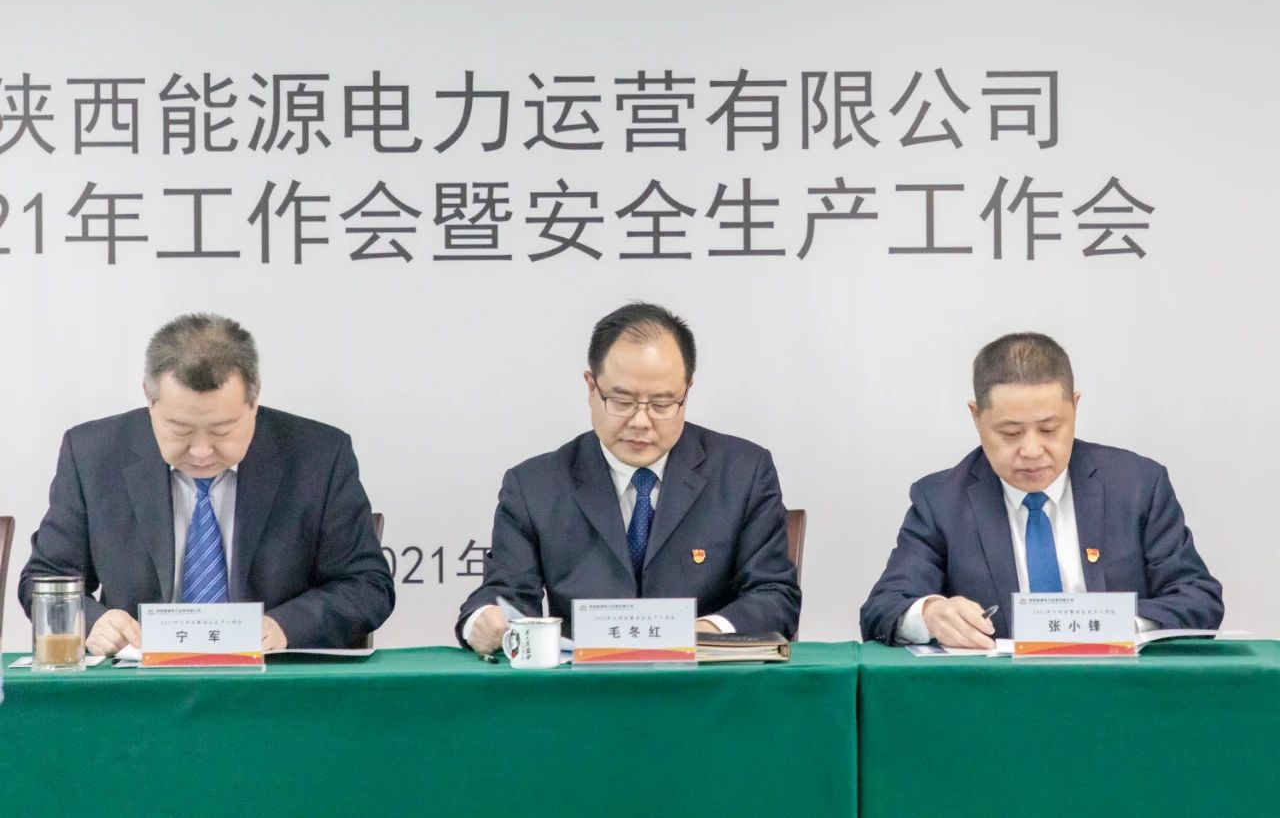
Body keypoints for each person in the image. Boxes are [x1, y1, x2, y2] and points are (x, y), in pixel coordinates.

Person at [19, 313, 394, 655]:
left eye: (222, 430)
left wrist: (285, 627)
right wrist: (92, 621)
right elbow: (44, 579)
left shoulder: (318, 456)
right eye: (180, 429)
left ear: (254, 400)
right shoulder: (93, 454)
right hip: (138, 685)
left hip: (274, 682)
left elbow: (367, 584)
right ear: (149, 398)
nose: (200, 451)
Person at [458, 302, 800, 653]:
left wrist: (705, 632)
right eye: (621, 401)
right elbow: (504, 595)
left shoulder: (743, 473)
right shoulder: (535, 487)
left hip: (706, 680)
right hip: (583, 682)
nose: (640, 421)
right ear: (591, 387)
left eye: (662, 404)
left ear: (687, 391)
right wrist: (484, 619)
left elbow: (774, 596)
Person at [860, 332, 1223, 648]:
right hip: (1001, 695)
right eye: (1011, 433)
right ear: (976, 417)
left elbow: (1198, 597)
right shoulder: (941, 501)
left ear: (1074, 407)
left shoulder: (1136, 485)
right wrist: (929, 614)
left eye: (1049, 429)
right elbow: (883, 608)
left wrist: (1114, 627)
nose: (1032, 451)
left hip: (1116, 687)